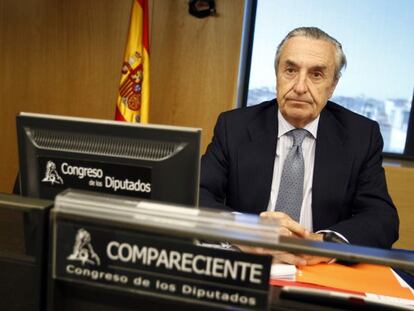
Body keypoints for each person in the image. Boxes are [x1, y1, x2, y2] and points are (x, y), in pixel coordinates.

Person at [199, 27, 399, 265]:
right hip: (247, 262)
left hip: (320, 269)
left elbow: (381, 218)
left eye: (316, 75)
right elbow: (196, 194)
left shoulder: (361, 135)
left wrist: (324, 243)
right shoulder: (234, 126)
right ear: (277, 75)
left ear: (333, 85)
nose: (300, 87)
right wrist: (244, 232)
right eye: (291, 70)